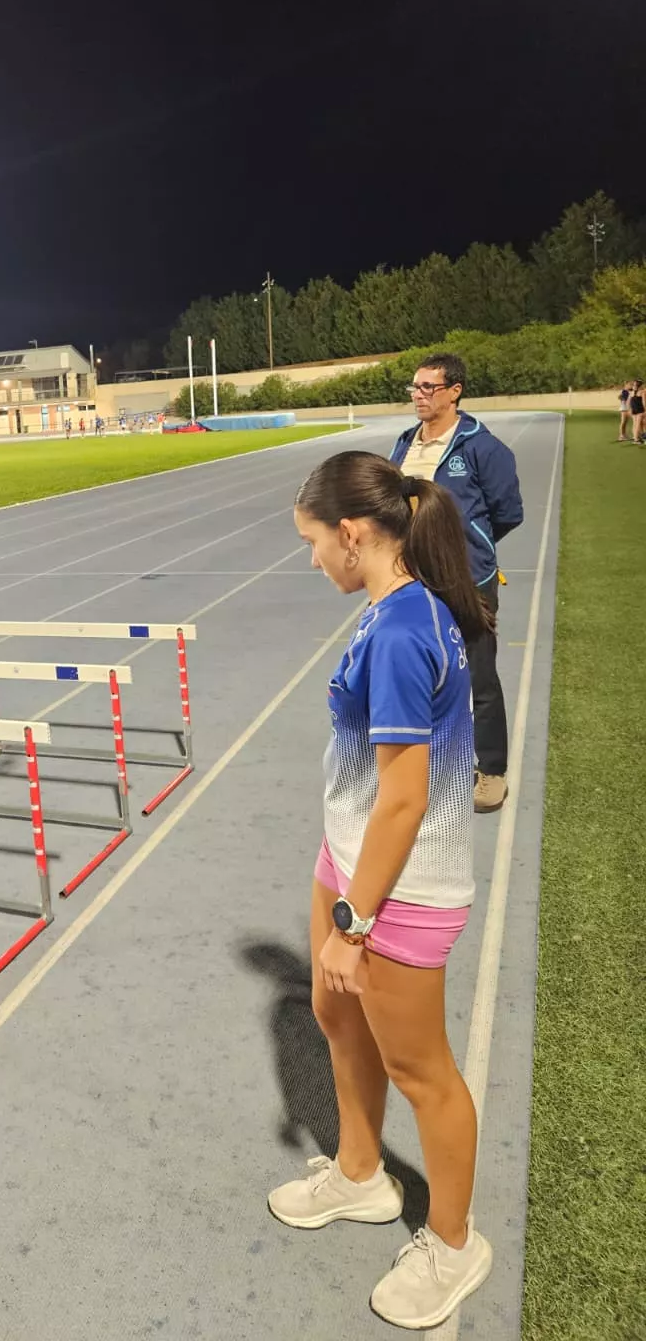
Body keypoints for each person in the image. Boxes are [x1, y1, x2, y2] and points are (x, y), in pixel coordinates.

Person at [269, 449, 492, 1331]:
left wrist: (355, 926)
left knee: (422, 1070)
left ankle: (452, 1242)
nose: (312, 557)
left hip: (401, 888)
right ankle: (361, 1173)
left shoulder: (402, 632)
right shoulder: (390, 607)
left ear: (353, 536)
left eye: (314, 542)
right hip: (352, 862)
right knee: (334, 1016)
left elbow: (405, 796)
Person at [389, 354, 522, 813]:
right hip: (412, 579)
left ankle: (492, 772)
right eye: (415, 387)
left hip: (468, 580)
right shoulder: (404, 444)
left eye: (428, 387)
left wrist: (467, 545)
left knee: (479, 677)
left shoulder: (483, 448)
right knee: (424, 675)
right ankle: (441, 763)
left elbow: (508, 512)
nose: (419, 395)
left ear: (454, 391)